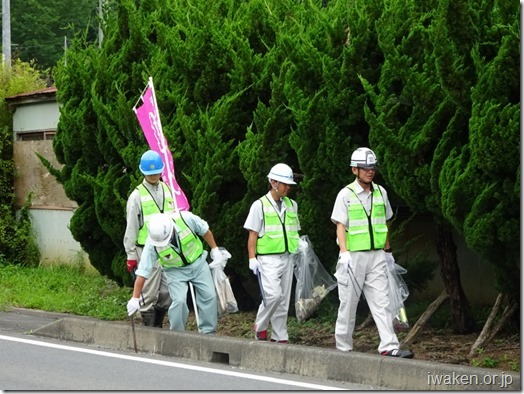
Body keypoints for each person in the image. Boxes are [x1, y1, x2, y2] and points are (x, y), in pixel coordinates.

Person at [331, 147, 414, 358]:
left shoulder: (381, 192)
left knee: (382, 301)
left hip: (377, 255)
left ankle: (389, 345)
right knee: (348, 303)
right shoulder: (345, 195)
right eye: (365, 167)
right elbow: (340, 225)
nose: (370, 171)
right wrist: (344, 252)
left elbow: (384, 223)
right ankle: (343, 346)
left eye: (372, 167)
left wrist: (388, 252)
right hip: (353, 257)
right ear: (354, 170)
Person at [126, 212, 228, 334]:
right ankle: (177, 334)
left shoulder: (186, 219)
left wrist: (215, 249)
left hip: (198, 263)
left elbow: (205, 230)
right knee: (178, 301)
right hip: (174, 271)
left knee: (209, 296)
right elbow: (143, 271)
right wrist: (135, 298)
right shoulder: (152, 243)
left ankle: (208, 333)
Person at [244, 163, 301, 343]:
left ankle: (280, 335)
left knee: (283, 299)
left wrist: (300, 246)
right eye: (284, 184)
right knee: (273, 296)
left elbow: (294, 231)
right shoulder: (259, 205)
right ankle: (260, 326)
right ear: (273, 182)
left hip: (288, 256)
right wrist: (252, 258)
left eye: (289, 184)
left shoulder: (292, 205)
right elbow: (252, 234)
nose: (287, 187)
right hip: (267, 259)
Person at [123, 150, 174, 328]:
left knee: (168, 291)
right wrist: (131, 255)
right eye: (149, 173)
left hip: (167, 248)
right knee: (148, 292)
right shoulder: (136, 196)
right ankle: (150, 328)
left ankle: (158, 322)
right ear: (143, 172)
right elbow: (131, 228)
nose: (153, 176)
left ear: (162, 171)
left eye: (156, 172)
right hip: (146, 249)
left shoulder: (168, 190)